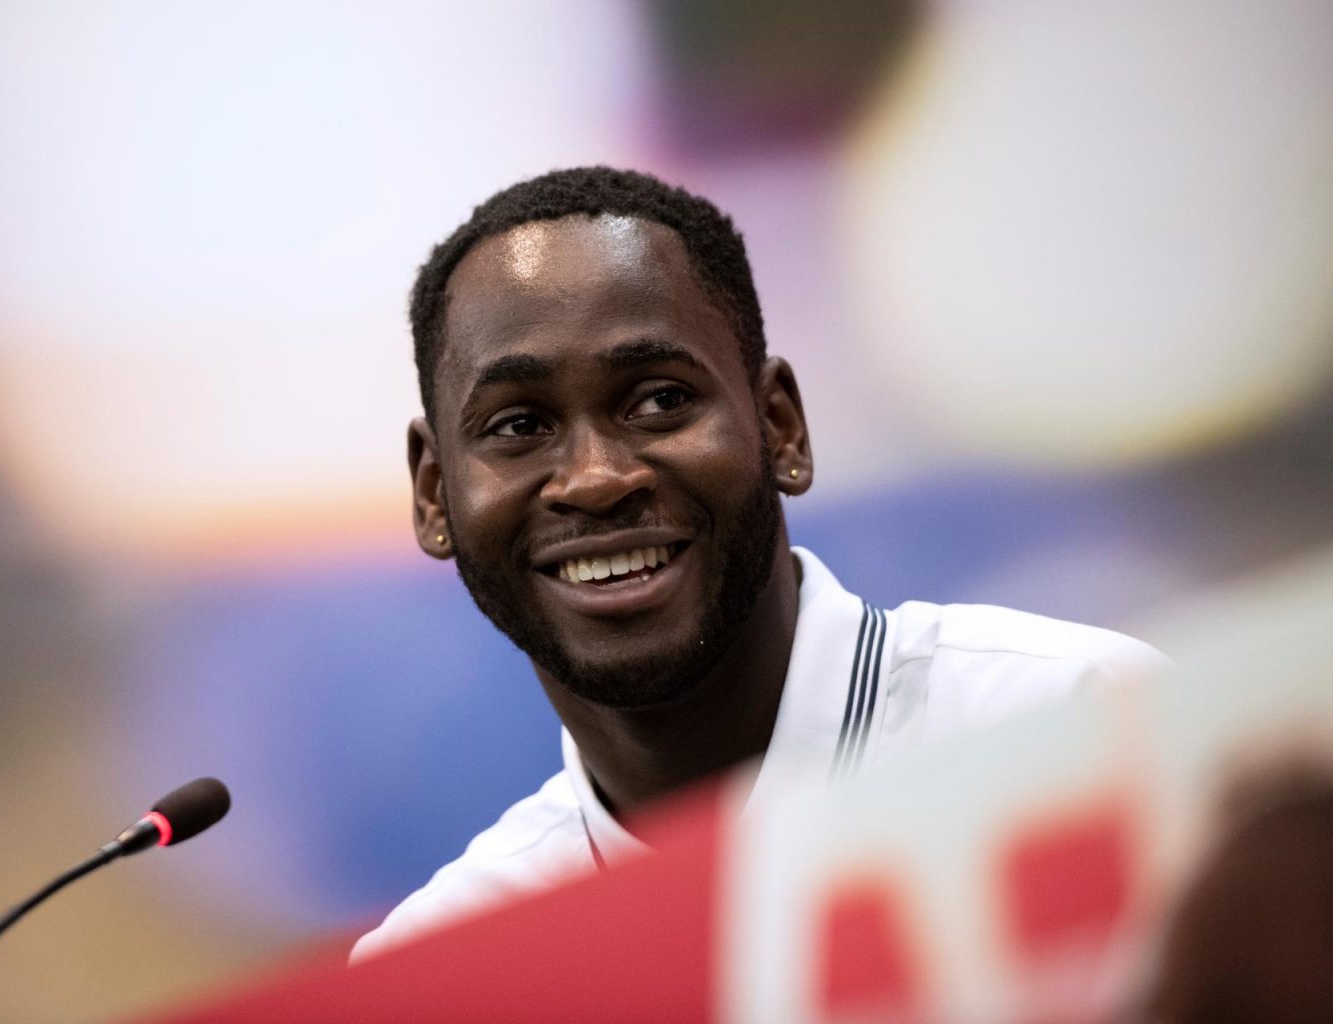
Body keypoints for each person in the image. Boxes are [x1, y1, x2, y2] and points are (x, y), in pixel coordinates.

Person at [351, 166, 1167, 961]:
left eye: (661, 399)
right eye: (518, 424)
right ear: (433, 493)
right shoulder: (439, 962)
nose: (596, 479)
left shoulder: (1092, 727)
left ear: (780, 428)